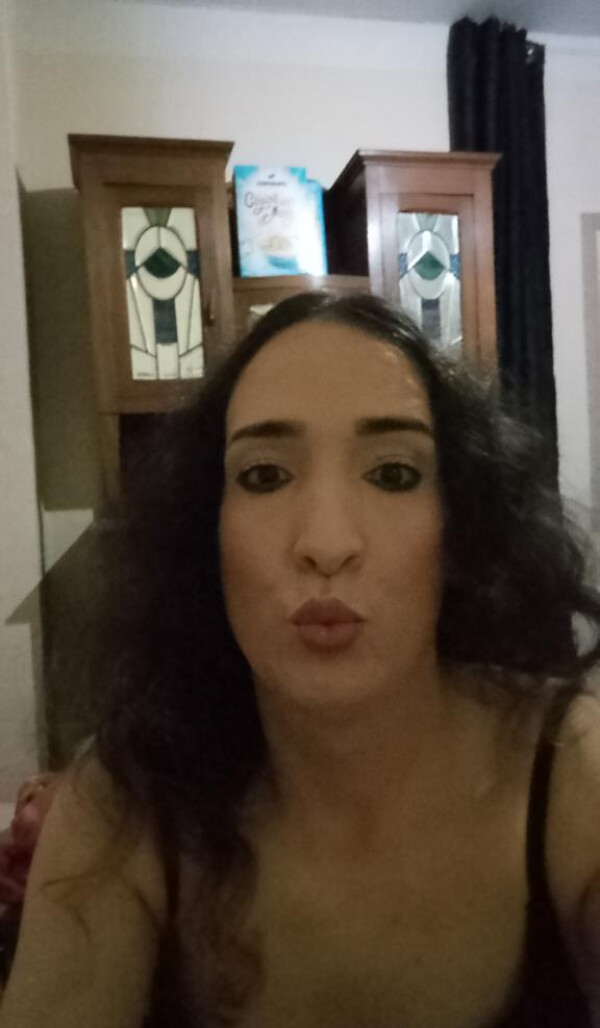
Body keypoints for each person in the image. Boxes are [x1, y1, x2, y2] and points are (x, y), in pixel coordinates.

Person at [1, 290, 600, 1028]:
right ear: (207, 537)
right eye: (264, 476)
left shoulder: (571, 766)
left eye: (393, 474)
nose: (326, 543)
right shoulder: (124, 805)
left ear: (458, 533)